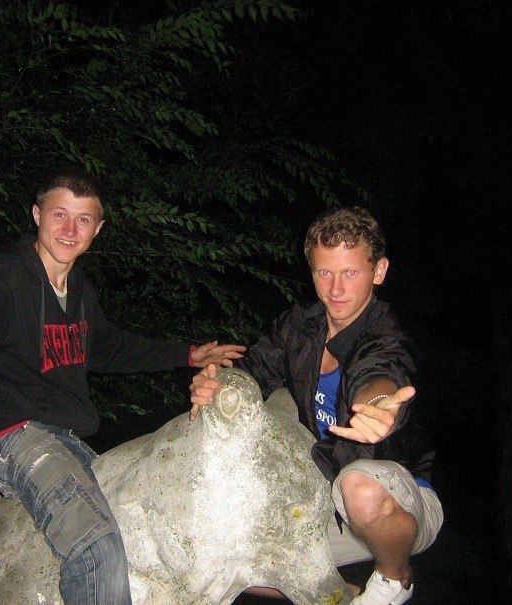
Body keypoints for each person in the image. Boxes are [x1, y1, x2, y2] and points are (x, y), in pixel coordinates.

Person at [0, 167, 246, 605]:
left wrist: (188, 355)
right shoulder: (5, 276)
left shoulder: (80, 290)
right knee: (95, 548)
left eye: (83, 219)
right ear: (36, 215)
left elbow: (107, 347)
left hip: (67, 441)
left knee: (136, 534)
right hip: (13, 436)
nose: (69, 229)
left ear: (97, 229)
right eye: (59, 214)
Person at [189, 206, 442, 605]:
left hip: (395, 506)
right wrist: (215, 384)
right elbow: (253, 372)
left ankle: (395, 579)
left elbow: (380, 373)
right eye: (325, 272)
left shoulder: (385, 335)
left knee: (358, 486)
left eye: (351, 272)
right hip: (325, 495)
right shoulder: (301, 325)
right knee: (238, 565)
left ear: (378, 271)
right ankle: (345, 596)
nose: (336, 288)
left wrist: (377, 405)